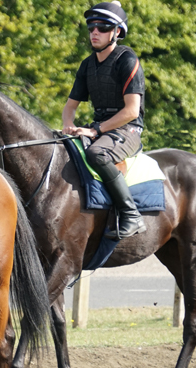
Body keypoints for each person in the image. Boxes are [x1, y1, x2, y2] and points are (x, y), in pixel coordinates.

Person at [62, 1, 146, 240]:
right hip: (100, 129)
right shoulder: (87, 64)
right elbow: (70, 107)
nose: (94, 32)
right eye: (91, 27)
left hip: (128, 129)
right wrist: (68, 125)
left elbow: (131, 111)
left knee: (97, 154)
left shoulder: (127, 60)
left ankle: (131, 215)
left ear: (117, 32)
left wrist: (96, 129)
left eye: (102, 27)